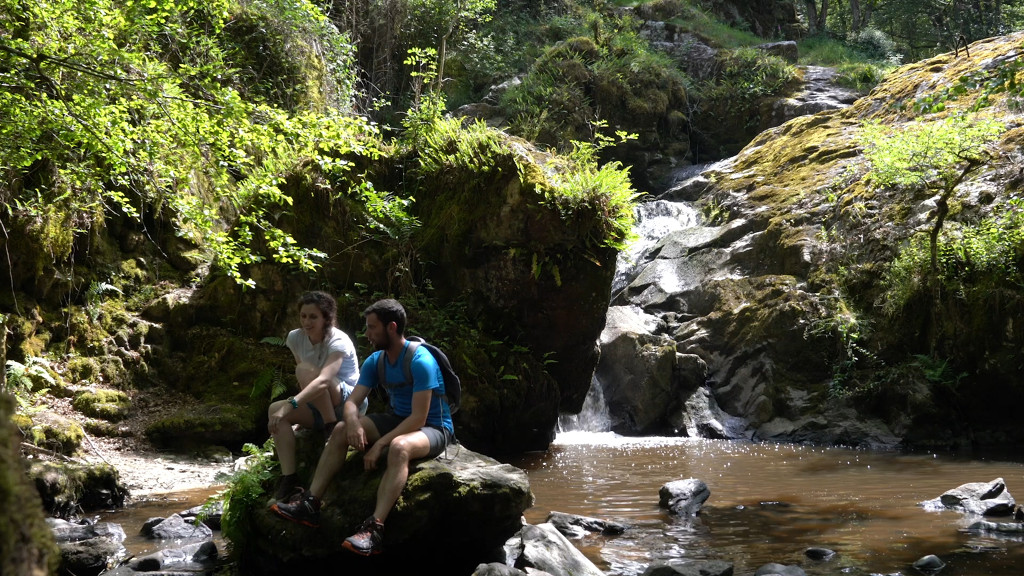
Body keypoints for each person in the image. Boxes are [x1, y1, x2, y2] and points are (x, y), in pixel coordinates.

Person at [270, 298, 455, 557]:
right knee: (340, 430)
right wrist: (354, 423)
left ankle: (374, 529)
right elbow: (351, 402)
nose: (366, 333)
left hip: (433, 427)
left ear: (391, 327)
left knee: (399, 448)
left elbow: (418, 419)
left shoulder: (421, 361)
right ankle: (310, 503)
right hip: (396, 418)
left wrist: (380, 444)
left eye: (372, 327)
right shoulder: (376, 360)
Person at [267, 291, 367, 501]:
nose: (307, 322)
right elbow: (305, 381)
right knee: (274, 409)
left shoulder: (338, 340)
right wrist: (294, 411)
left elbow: (322, 380)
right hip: (320, 403)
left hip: (346, 403)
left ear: (326, 318)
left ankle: (330, 426)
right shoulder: (295, 338)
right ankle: (289, 477)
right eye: (303, 316)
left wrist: (291, 405)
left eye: (313, 317)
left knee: (306, 371)